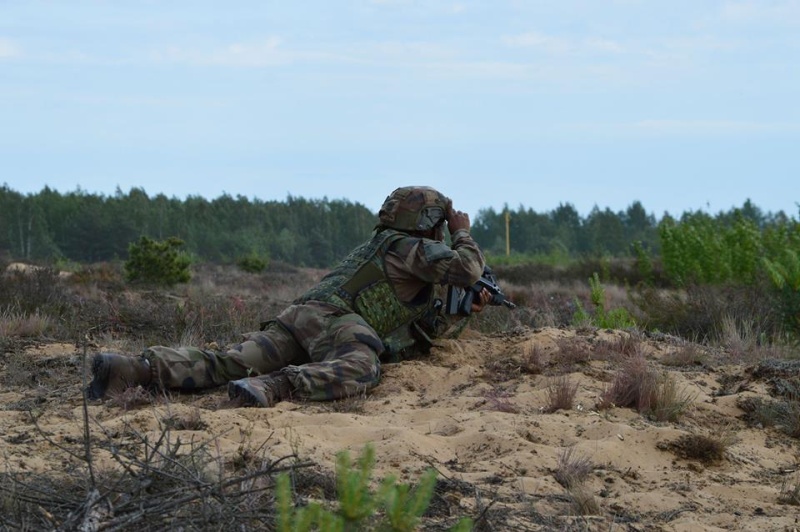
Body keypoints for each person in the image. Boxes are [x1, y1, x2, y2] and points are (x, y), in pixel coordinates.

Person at [87, 186, 490, 407]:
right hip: (336, 321)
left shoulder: (382, 245)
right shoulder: (408, 247)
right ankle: (278, 386)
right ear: (430, 226)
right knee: (363, 366)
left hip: (301, 317)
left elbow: (401, 324)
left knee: (232, 361)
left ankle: (135, 368)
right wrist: (463, 231)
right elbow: (468, 268)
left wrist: (453, 315)